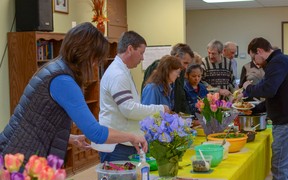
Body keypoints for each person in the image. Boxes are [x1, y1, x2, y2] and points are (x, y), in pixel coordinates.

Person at [0, 22, 147, 163]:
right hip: (21, 157)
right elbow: (95, 133)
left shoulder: (55, 69)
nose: (95, 64)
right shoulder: (63, 81)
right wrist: (132, 137)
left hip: (19, 150)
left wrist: (70, 138)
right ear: (84, 54)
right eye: (95, 58)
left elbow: (39, 122)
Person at [99, 31, 169, 163]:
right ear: (130, 49)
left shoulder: (122, 71)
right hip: (117, 146)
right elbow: (129, 109)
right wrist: (160, 109)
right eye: (141, 53)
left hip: (123, 142)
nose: (142, 58)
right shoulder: (118, 74)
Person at [241, 37, 288, 180]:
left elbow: (268, 90)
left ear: (259, 51)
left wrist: (248, 88)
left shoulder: (276, 62)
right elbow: (276, 97)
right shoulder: (281, 61)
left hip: (284, 123)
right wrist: (256, 108)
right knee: (284, 167)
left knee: (279, 168)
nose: (255, 63)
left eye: (254, 58)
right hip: (283, 119)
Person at [141, 43, 194, 113]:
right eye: (185, 63)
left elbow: (181, 96)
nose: (186, 67)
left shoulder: (169, 86)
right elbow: (147, 111)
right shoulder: (152, 88)